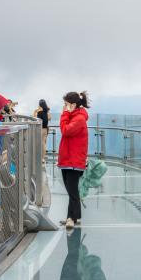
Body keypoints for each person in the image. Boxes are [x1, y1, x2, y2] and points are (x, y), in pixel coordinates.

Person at [57, 91, 89, 229]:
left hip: (74, 161)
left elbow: (65, 130)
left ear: (73, 105)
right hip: (68, 160)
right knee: (71, 191)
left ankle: (72, 218)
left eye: (66, 104)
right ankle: (74, 216)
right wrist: (67, 114)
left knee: (72, 191)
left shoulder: (79, 119)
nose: (64, 107)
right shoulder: (74, 116)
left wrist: (65, 114)